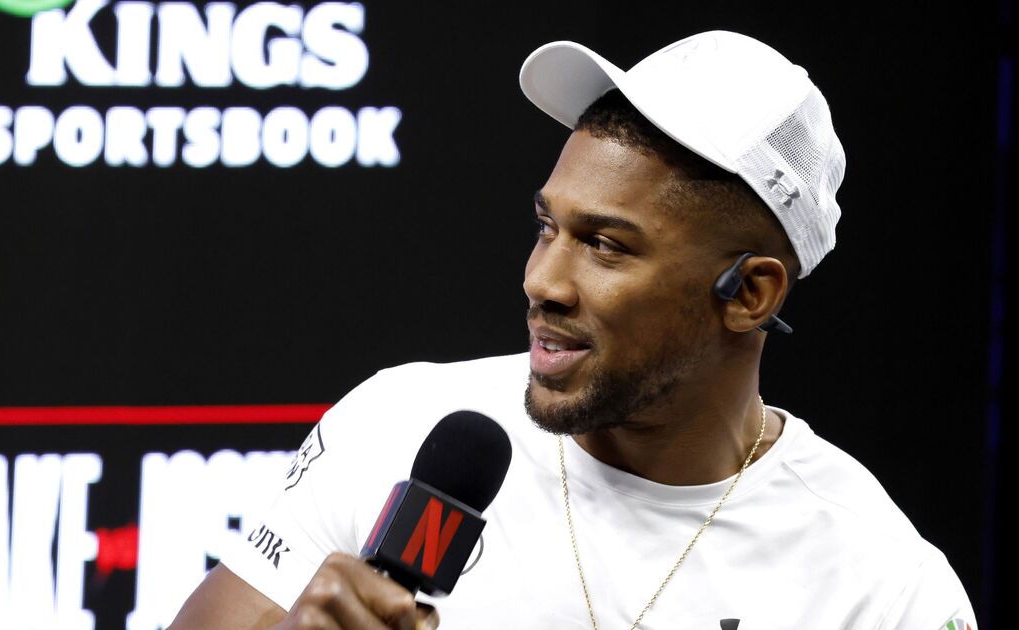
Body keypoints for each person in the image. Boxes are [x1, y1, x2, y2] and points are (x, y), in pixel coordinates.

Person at [169, 31, 978, 629]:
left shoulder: (881, 586)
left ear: (750, 294)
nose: (542, 281)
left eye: (605, 245)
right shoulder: (398, 423)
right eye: (547, 227)